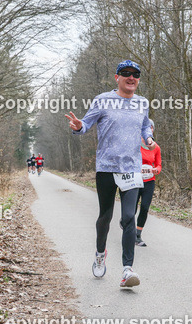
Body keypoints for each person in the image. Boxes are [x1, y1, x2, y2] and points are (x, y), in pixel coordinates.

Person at [65, 60, 156, 288]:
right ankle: (99, 253)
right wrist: (78, 127)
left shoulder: (142, 103)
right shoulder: (103, 100)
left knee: (128, 217)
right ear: (117, 77)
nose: (131, 77)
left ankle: (127, 270)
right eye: (126, 73)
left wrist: (148, 137)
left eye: (135, 74)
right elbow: (85, 124)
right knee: (104, 217)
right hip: (106, 167)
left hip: (131, 169)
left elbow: (145, 125)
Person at [135, 119, 161, 246]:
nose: (149, 129)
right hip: (135, 180)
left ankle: (138, 235)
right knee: (132, 208)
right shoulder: (135, 144)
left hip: (149, 181)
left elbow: (159, 165)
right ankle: (126, 224)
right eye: (147, 127)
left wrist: (156, 170)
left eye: (151, 127)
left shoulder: (156, 148)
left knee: (144, 207)